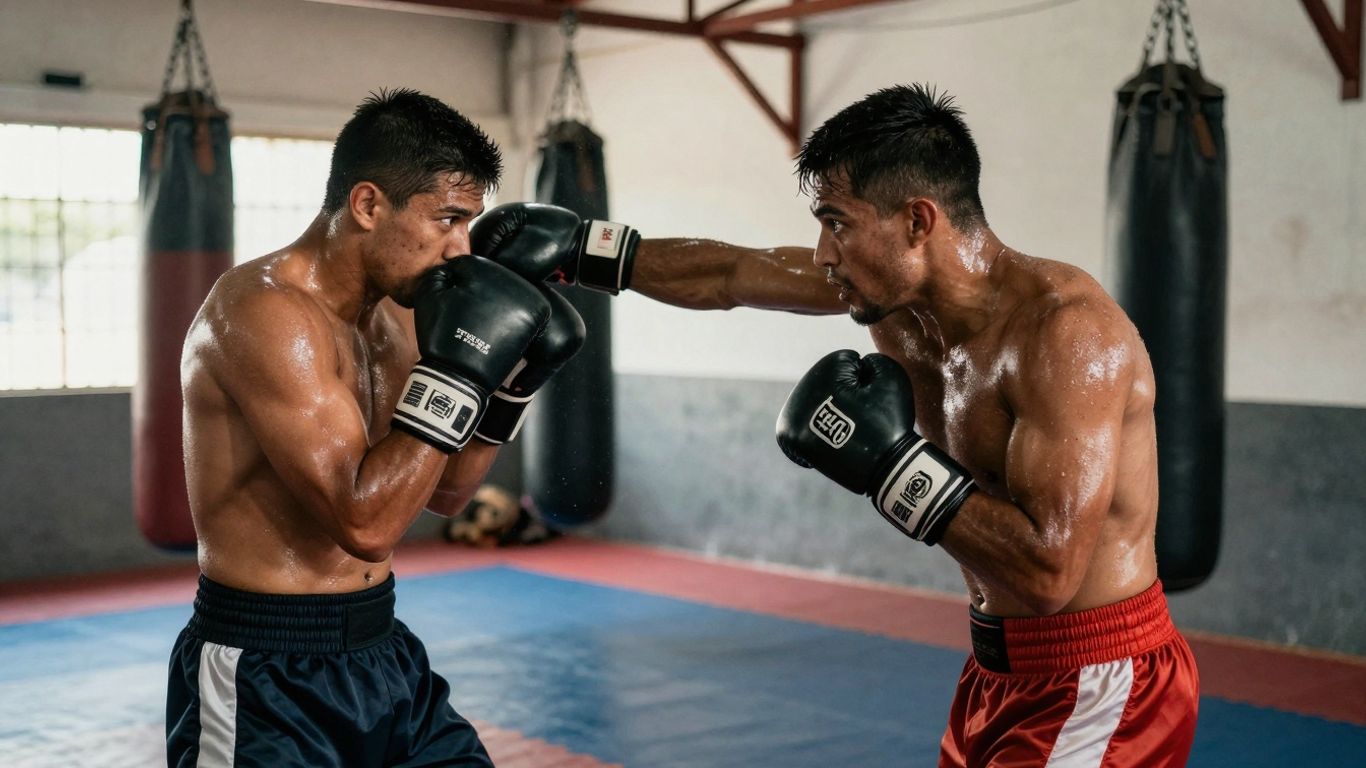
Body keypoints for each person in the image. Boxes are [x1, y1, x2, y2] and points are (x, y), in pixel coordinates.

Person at [465, 84, 1200, 766]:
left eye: (837, 225)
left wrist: (890, 466)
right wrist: (584, 250)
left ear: (918, 221)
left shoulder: (1067, 337)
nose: (823, 255)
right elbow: (731, 274)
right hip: (994, 672)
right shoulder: (899, 300)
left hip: (1101, 679)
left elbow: (1048, 574)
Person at [168, 88, 586, 767]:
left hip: (382, 653)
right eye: (447, 219)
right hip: (265, 673)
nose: (459, 249)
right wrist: (457, 373)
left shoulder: (395, 317)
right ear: (368, 205)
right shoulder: (264, 314)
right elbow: (365, 525)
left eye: (469, 224)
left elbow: (446, 492)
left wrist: (511, 385)